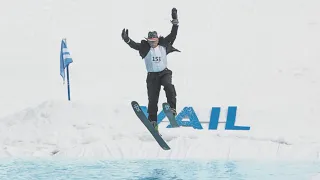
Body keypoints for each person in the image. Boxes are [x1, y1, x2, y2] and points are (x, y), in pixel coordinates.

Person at [121, 8, 180, 132]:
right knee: (153, 99)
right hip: (152, 76)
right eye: (150, 41)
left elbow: (173, 34)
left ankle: (172, 109)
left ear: (158, 39)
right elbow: (134, 45)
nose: (152, 43)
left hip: (164, 72)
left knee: (169, 86)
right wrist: (127, 39)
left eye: (154, 41)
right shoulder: (144, 48)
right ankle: (153, 121)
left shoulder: (164, 44)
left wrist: (175, 21)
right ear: (148, 40)